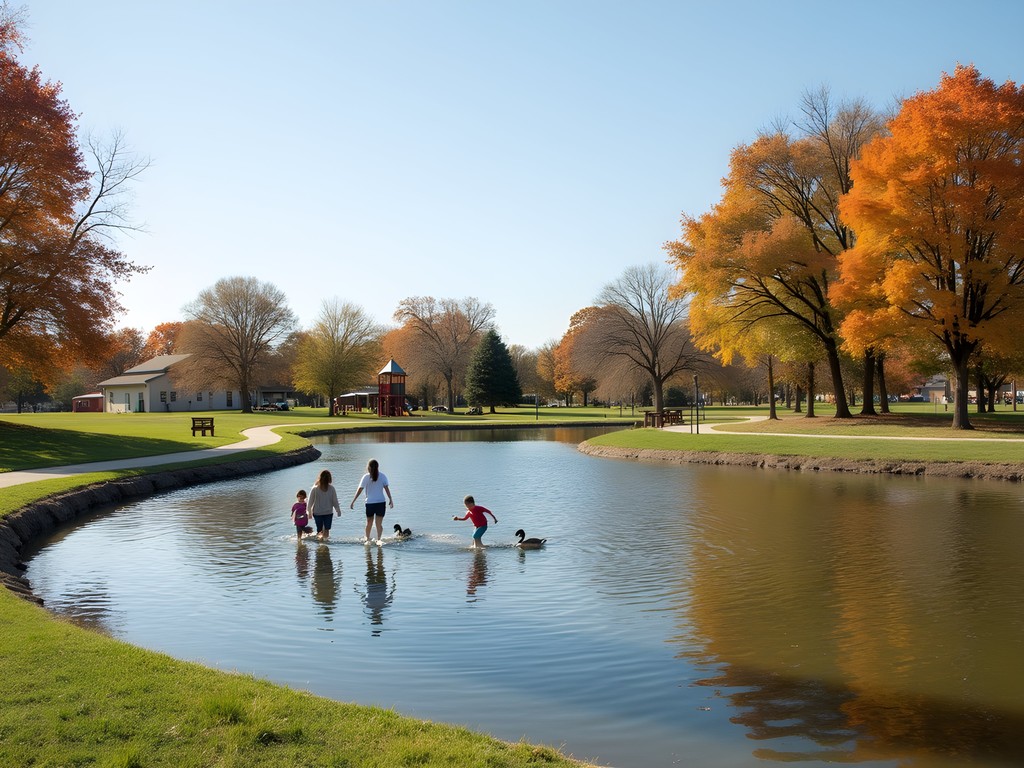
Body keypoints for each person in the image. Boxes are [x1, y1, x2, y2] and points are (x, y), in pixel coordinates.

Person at [350, 458, 393, 544]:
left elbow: (360, 490)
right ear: (378, 467)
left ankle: (367, 539)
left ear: (368, 467)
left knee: (369, 523)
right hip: (381, 503)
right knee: (379, 524)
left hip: (370, 504)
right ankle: (379, 539)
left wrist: (353, 501)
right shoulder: (382, 476)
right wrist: (391, 499)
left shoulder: (366, 477)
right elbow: (387, 489)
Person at [308, 470, 342, 541]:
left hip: (323, 513)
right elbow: (335, 501)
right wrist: (338, 510)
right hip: (323, 513)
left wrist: (309, 512)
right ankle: (323, 544)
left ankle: (323, 545)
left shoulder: (330, 488)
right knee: (323, 530)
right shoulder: (315, 489)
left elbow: (309, 502)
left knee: (323, 530)